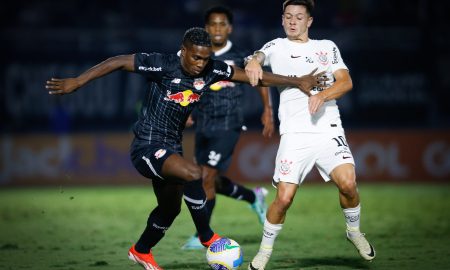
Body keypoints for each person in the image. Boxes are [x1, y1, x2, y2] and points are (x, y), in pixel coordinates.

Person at [45, 27, 322, 270]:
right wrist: (78, 81)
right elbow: (119, 61)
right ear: (183, 51)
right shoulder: (162, 64)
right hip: (146, 146)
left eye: (205, 57)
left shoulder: (212, 69)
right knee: (193, 173)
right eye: (195, 57)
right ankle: (207, 237)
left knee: (169, 210)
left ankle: (141, 251)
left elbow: (255, 78)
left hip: (171, 148)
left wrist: (297, 82)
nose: (200, 63)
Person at [244, 1, 376, 269]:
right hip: (295, 135)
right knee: (283, 199)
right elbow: (256, 56)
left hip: (328, 130)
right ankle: (264, 251)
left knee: (349, 184)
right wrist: (253, 62)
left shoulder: (326, 47)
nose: (293, 21)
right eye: (288, 17)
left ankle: (354, 232)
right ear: (282, 20)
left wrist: (323, 96)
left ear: (309, 21)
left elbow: (346, 81)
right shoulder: (276, 46)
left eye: (299, 17)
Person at [181, 6, 275, 250]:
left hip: (229, 123)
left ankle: (202, 236)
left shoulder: (241, 55)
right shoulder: (198, 55)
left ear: (230, 28)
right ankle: (254, 197)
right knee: (209, 180)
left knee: (206, 178)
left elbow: (261, 79)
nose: (218, 29)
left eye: (222, 24)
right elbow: (188, 84)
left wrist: (267, 109)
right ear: (206, 28)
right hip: (204, 123)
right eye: (213, 24)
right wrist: (187, 110)